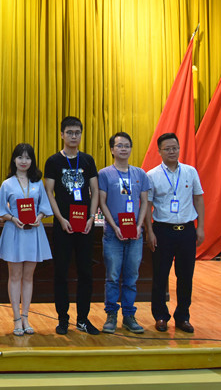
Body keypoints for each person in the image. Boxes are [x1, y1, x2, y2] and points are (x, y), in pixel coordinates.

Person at [44, 116, 100, 335]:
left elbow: (94, 190)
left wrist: (91, 217)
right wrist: (60, 218)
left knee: (86, 272)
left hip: (85, 226)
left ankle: (83, 319)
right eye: (69, 132)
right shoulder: (53, 161)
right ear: (62, 135)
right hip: (63, 225)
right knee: (61, 273)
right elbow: (49, 192)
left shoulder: (87, 160)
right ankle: (63, 319)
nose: (73, 136)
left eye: (77, 132)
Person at [145, 133, 204, 333]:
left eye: (175, 148)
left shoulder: (190, 172)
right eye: (167, 148)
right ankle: (161, 316)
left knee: (186, 276)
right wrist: (149, 231)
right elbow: (147, 205)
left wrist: (200, 227)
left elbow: (198, 199)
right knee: (160, 275)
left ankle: (183, 317)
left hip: (187, 230)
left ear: (179, 149)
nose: (172, 151)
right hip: (162, 231)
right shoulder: (152, 175)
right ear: (159, 151)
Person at [0, 143, 52, 336]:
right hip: (14, 231)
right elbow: (0, 211)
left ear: (32, 160)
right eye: (20, 157)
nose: (24, 161)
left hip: (33, 232)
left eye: (28, 157)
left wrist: (39, 217)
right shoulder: (7, 184)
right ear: (14, 160)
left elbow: (44, 206)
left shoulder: (38, 183)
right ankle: (16, 318)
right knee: (15, 276)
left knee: (28, 277)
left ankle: (26, 317)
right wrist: (12, 218)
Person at [98, 132, 150, 334]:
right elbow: (102, 202)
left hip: (135, 235)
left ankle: (129, 316)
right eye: (119, 145)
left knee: (131, 277)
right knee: (112, 277)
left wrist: (139, 226)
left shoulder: (140, 174)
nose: (123, 149)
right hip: (114, 234)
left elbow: (144, 202)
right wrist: (115, 227)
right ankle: (111, 315)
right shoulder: (104, 174)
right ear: (112, 149)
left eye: (127, 145)